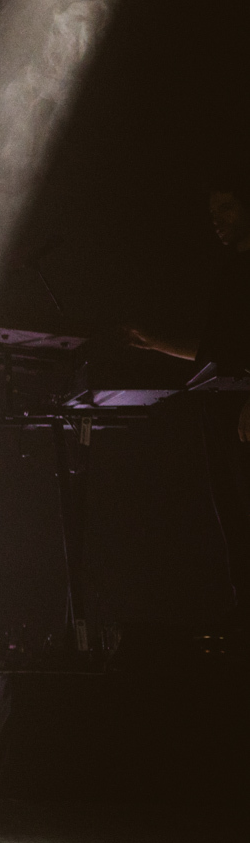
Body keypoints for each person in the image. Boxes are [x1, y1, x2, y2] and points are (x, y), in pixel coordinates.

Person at [125, 171, 250, 618]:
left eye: (227, 209)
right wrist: (157, 343)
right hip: (219, 408)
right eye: (212, 213)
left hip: (241, 409)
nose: (217, 220)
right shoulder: (229, 269)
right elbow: (216, 349)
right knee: (232, 525)